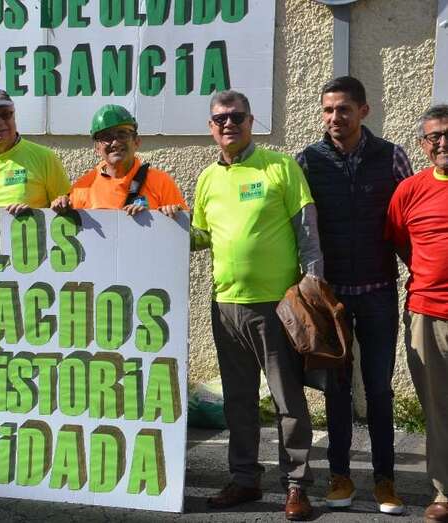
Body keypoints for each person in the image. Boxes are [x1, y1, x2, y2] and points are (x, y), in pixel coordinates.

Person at [192, 90, 321, 521]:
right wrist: (156, 222)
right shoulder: (207, 179)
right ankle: (245, 478)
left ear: (251, 121)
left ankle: (296, 485)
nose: (229, 124)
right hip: (225, 304)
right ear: (211, 127)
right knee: (238, 400)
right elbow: (201, 237)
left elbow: (307, 228)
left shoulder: (280, 167)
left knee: (287, 400)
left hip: (275, 306)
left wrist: (312, 281)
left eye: (237, 117)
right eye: (220, 118)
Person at [296, 76, 412, 514]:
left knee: (379, 389)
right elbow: (299, 225)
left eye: (343, 109)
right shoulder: (307, 160)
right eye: (327, 110)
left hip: (379, 293)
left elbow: (411, 216)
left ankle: (385, 482)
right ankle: (340, 477)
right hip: (331, 299)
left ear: (363, 111)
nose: (334, 118)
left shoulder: (392, 156)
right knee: (337, 389)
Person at [386, 104, 448, 523]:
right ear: (424, 146)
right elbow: (399, 243)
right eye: (434, 137)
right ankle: (444, 493)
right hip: (427, 312)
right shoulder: (410, 190)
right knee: (438, 407)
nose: (442, 142)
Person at [50, 104, 186, 217]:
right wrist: (60, 209)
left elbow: (184, 231)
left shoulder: (161, 182)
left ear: (137, 142)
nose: (115, 143)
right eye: (106, 137)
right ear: (97, 148)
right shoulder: (83, 188)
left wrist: (172, 216)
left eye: (122, 134)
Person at [0, 87, 70, 213]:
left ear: (14, 117)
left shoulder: (45, 158)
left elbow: (65, 209)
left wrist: (34, 214)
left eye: (5, 114)